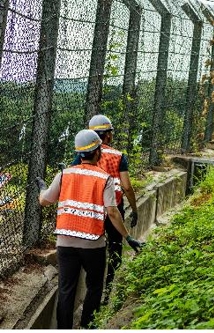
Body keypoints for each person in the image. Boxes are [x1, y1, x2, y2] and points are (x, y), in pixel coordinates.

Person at [36, 129, 143, 329]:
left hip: (65, 243)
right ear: (97, 152)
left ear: (79, 153)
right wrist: (128, 238)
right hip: (93, 244)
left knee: (66, 289)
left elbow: (44, 200)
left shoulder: (64, 175)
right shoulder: (104, 179)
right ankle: (87, 326)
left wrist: (41, 187)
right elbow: (112, 212)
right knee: (94, 286)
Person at [73, 114, 139, 299]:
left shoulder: (82, 154)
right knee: (115, 249)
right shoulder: (118, 156)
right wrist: (134, 209)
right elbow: (126, 186)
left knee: (93, 248)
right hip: (114, 209)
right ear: (108, 135)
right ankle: (108, 291)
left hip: (91, 210)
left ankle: (91, 290)